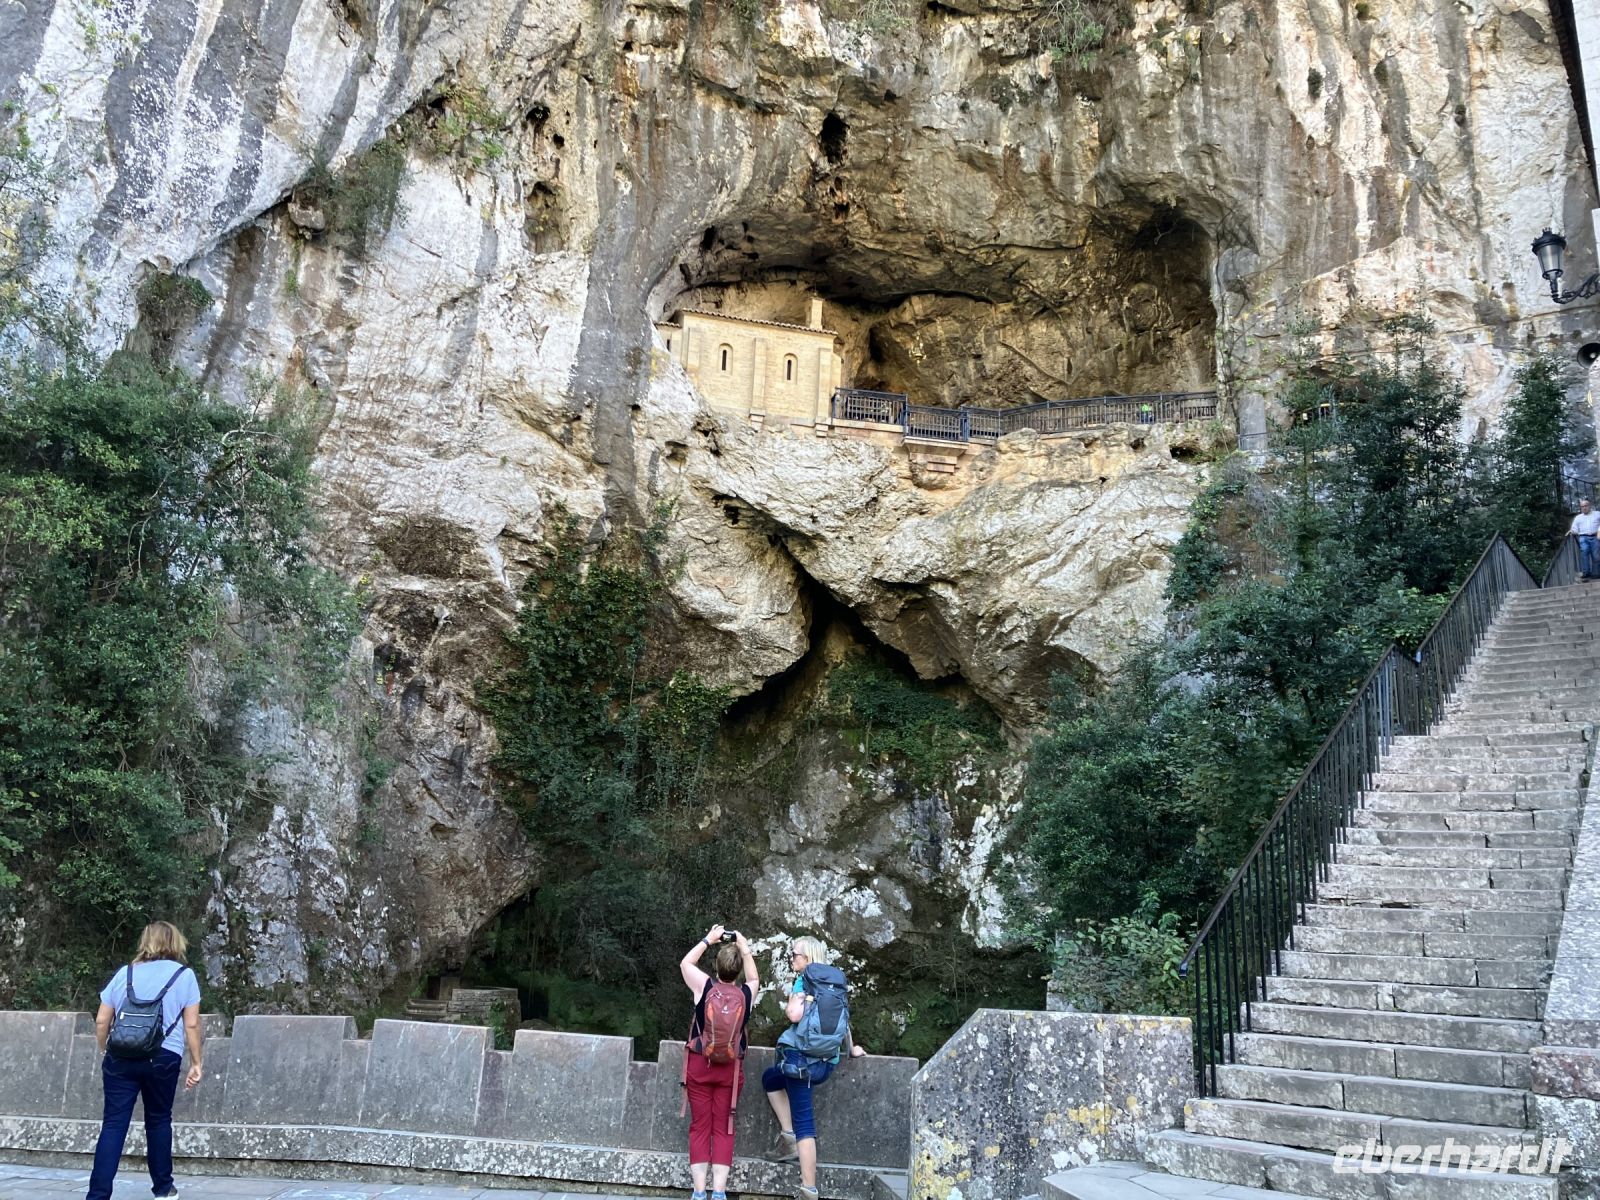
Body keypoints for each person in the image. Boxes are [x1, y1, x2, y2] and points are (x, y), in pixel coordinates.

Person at [86, 921, 203, 1200]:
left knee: (114, 1124)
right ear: (175, 942)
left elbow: (102, 1020)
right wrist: (196, 1063)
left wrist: (105, 1050)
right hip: (163, 1056)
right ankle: (163, 1189)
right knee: (159, 1120)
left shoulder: (125, 973)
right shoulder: (184, 975)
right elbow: (192, 1025)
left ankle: (97, 1195)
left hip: (120, 1056)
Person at [762, 937, 866, 1200]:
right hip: (826, 1063)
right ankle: (787, 1137)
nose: (791, 959)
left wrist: (795, 999)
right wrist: (852, 1048)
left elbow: (794, 1015)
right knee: (771, 1078)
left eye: (794, 954)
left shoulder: (804, 981)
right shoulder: (834, 984)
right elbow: (843, 1020)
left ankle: (809, 1188)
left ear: (807, 958)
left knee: (805, 1122)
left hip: (801, 1061)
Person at [679, 924, 758, 1200]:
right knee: (724, 1129)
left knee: (700, 1127)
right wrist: (743, 946)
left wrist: (708, 939)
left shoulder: (704, 986)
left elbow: (685, 963)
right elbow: (754, 977)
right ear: (738, 971)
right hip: (730, 1072)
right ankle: (720, 1193)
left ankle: (699, 1193)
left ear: (716, 967)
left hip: (700, 1066)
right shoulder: (746, 994)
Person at [1572, 498, 1600, 579]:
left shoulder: (1597, 514)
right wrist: (1573, 531)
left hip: (1595, 536)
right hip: (1583, 537)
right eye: (1582, 506)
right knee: (1584, 554)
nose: (1584, 508)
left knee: (1596, 556)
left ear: (1589, 506)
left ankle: (1596, 573)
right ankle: (1586, 573)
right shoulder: (1578, 517)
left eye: (1585, 506)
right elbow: (1574, 528)